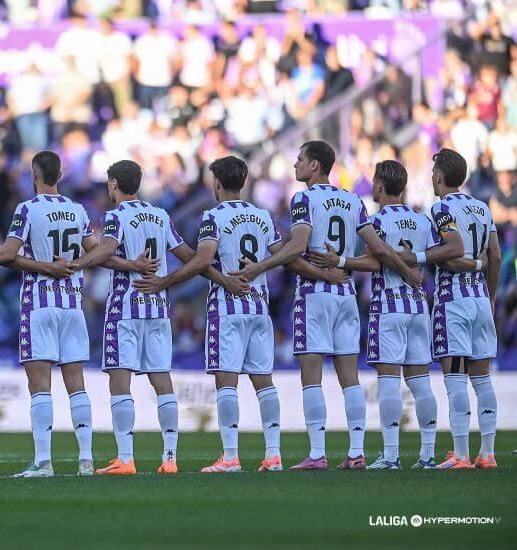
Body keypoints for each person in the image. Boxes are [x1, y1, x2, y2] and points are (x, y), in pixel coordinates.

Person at [0, 151, 152, 477]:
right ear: (59, 175)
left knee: (41, 387)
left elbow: (7, 254)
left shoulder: (27, 209)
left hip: (38, 305)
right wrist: (132, 264)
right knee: (76, 384)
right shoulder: (77, 211)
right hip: (72, 304)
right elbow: (98, 253)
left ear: (35, 175)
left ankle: (44, 462)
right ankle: (86, 460)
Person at [135, 156, 346, 472]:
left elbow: (203, 260)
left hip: (227, 308)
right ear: (243, 182)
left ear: (217, 184)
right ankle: (273, 455)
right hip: (259, 307)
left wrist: (165, 282)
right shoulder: (262, 216)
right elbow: (286, 258)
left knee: (226, 383)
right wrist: (324, 273)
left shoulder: (213, 217)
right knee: (264, 381)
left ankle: (231, 457)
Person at [233, 141, 419, 470]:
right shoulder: (352, 200)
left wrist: (260, 266)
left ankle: (317, 454)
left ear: (315, 165)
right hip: (346, 292)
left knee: (312, 377)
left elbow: (298, 246)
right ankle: (356, 453)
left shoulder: (303, 199)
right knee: (350, 378)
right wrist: (407, 271)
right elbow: (379, 249)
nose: (295, 165)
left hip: (314, 293)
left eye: (300, 159)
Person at [310, 160, 466, 469]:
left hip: (389, 305)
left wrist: (340, 260)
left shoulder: (377, 221)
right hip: (420, 305)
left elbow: (375, 261)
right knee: (421, 382)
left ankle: (392, 455)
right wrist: (415, 263)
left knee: (390, 381)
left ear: (379, 186)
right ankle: (427, 454)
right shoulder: (423, 220)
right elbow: (448, 250)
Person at [66, 159, 188, 475]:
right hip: (159, 307)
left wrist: (76, 264)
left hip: (126, 309)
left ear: (114, 185)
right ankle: (171, 458)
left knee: (121, 382)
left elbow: (106, 249)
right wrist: (170, 279)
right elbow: (188, 257)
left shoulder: (116, 216)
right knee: (162, 379)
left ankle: (126, 458)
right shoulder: (160, 215)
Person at [412, 149, 500, 469]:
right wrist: (489, 297)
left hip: (453, 300)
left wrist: (423, 256)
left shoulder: (440, 209)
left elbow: (450, 251)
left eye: (434, 170)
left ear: (439, 175)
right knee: (483, 378)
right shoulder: (482, 207)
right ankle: (487, 453)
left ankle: (461, 455)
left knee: (455, 378)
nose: (431, 175)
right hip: (480, 298)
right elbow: (496, 256)